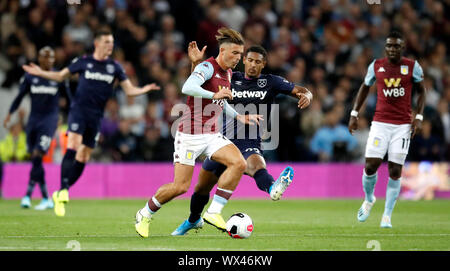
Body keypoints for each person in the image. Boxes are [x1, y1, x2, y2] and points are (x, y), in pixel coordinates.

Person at [171, 42, 313, 235]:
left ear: (264, 64)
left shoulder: (271, 82)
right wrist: (196, 63)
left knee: (255, 166)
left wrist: (308, 95)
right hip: (220, 141)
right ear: (244, 60)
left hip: (249, 141)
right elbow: (198, 85)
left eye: (258, 62)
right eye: (250, 60)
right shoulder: (231, 77)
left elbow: (300, 90)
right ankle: (193, 220)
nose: (253, 65)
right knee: (201, 188)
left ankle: (272, 188)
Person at [134, 27, 262, 238]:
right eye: (235, 54)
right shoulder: (207, 66)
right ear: (222, 51)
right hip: (190, 134)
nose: (239, 59)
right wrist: (213, 94)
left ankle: (213, 212)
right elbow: (187, 86)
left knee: (239, 163)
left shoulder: (228, 73)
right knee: (180, 186)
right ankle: (145, 213)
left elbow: (221, 99)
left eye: (241, 54)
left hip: (212, 134)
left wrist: (238, 116)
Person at [22, 29, 160, 217]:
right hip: (78, 111)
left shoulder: (115, 67)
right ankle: (63, 190)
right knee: (73, 144)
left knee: (84, 156)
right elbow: (61, 76)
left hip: (96, 116)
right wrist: (40, 73)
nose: (110, 46)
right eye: (106, 42)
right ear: (97, 43)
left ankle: (62, 191)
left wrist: (143, 89)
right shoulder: (84, 62)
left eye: (111, 42)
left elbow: (129, 90)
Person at [348, 31, 426, 228]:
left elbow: (421, 91)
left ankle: (387, 216)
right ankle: (369, 198)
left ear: (402, 47)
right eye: (389, 46)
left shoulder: (412, 66)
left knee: (395, 170)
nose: (392, 49)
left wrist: (418, 117)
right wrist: (354, 114)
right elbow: (365, 87)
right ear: (385, 48)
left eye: (396, 46)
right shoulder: (376, 66)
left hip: (402, 126)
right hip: (380, 124)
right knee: (370, 166)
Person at [3, 47, 68, 210]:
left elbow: (70, 99)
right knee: (35, 158)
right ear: (39, 59)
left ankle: (27, 195)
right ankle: (45, 197)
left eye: (51, 57)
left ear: (54, 60)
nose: (48, 60)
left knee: (38, 153)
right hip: (34, 120)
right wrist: (10, 113)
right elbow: (19, 96)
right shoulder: (30, 76)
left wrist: (68, 117)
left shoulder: (59, 77)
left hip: (49, 120)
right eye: (45, 57)